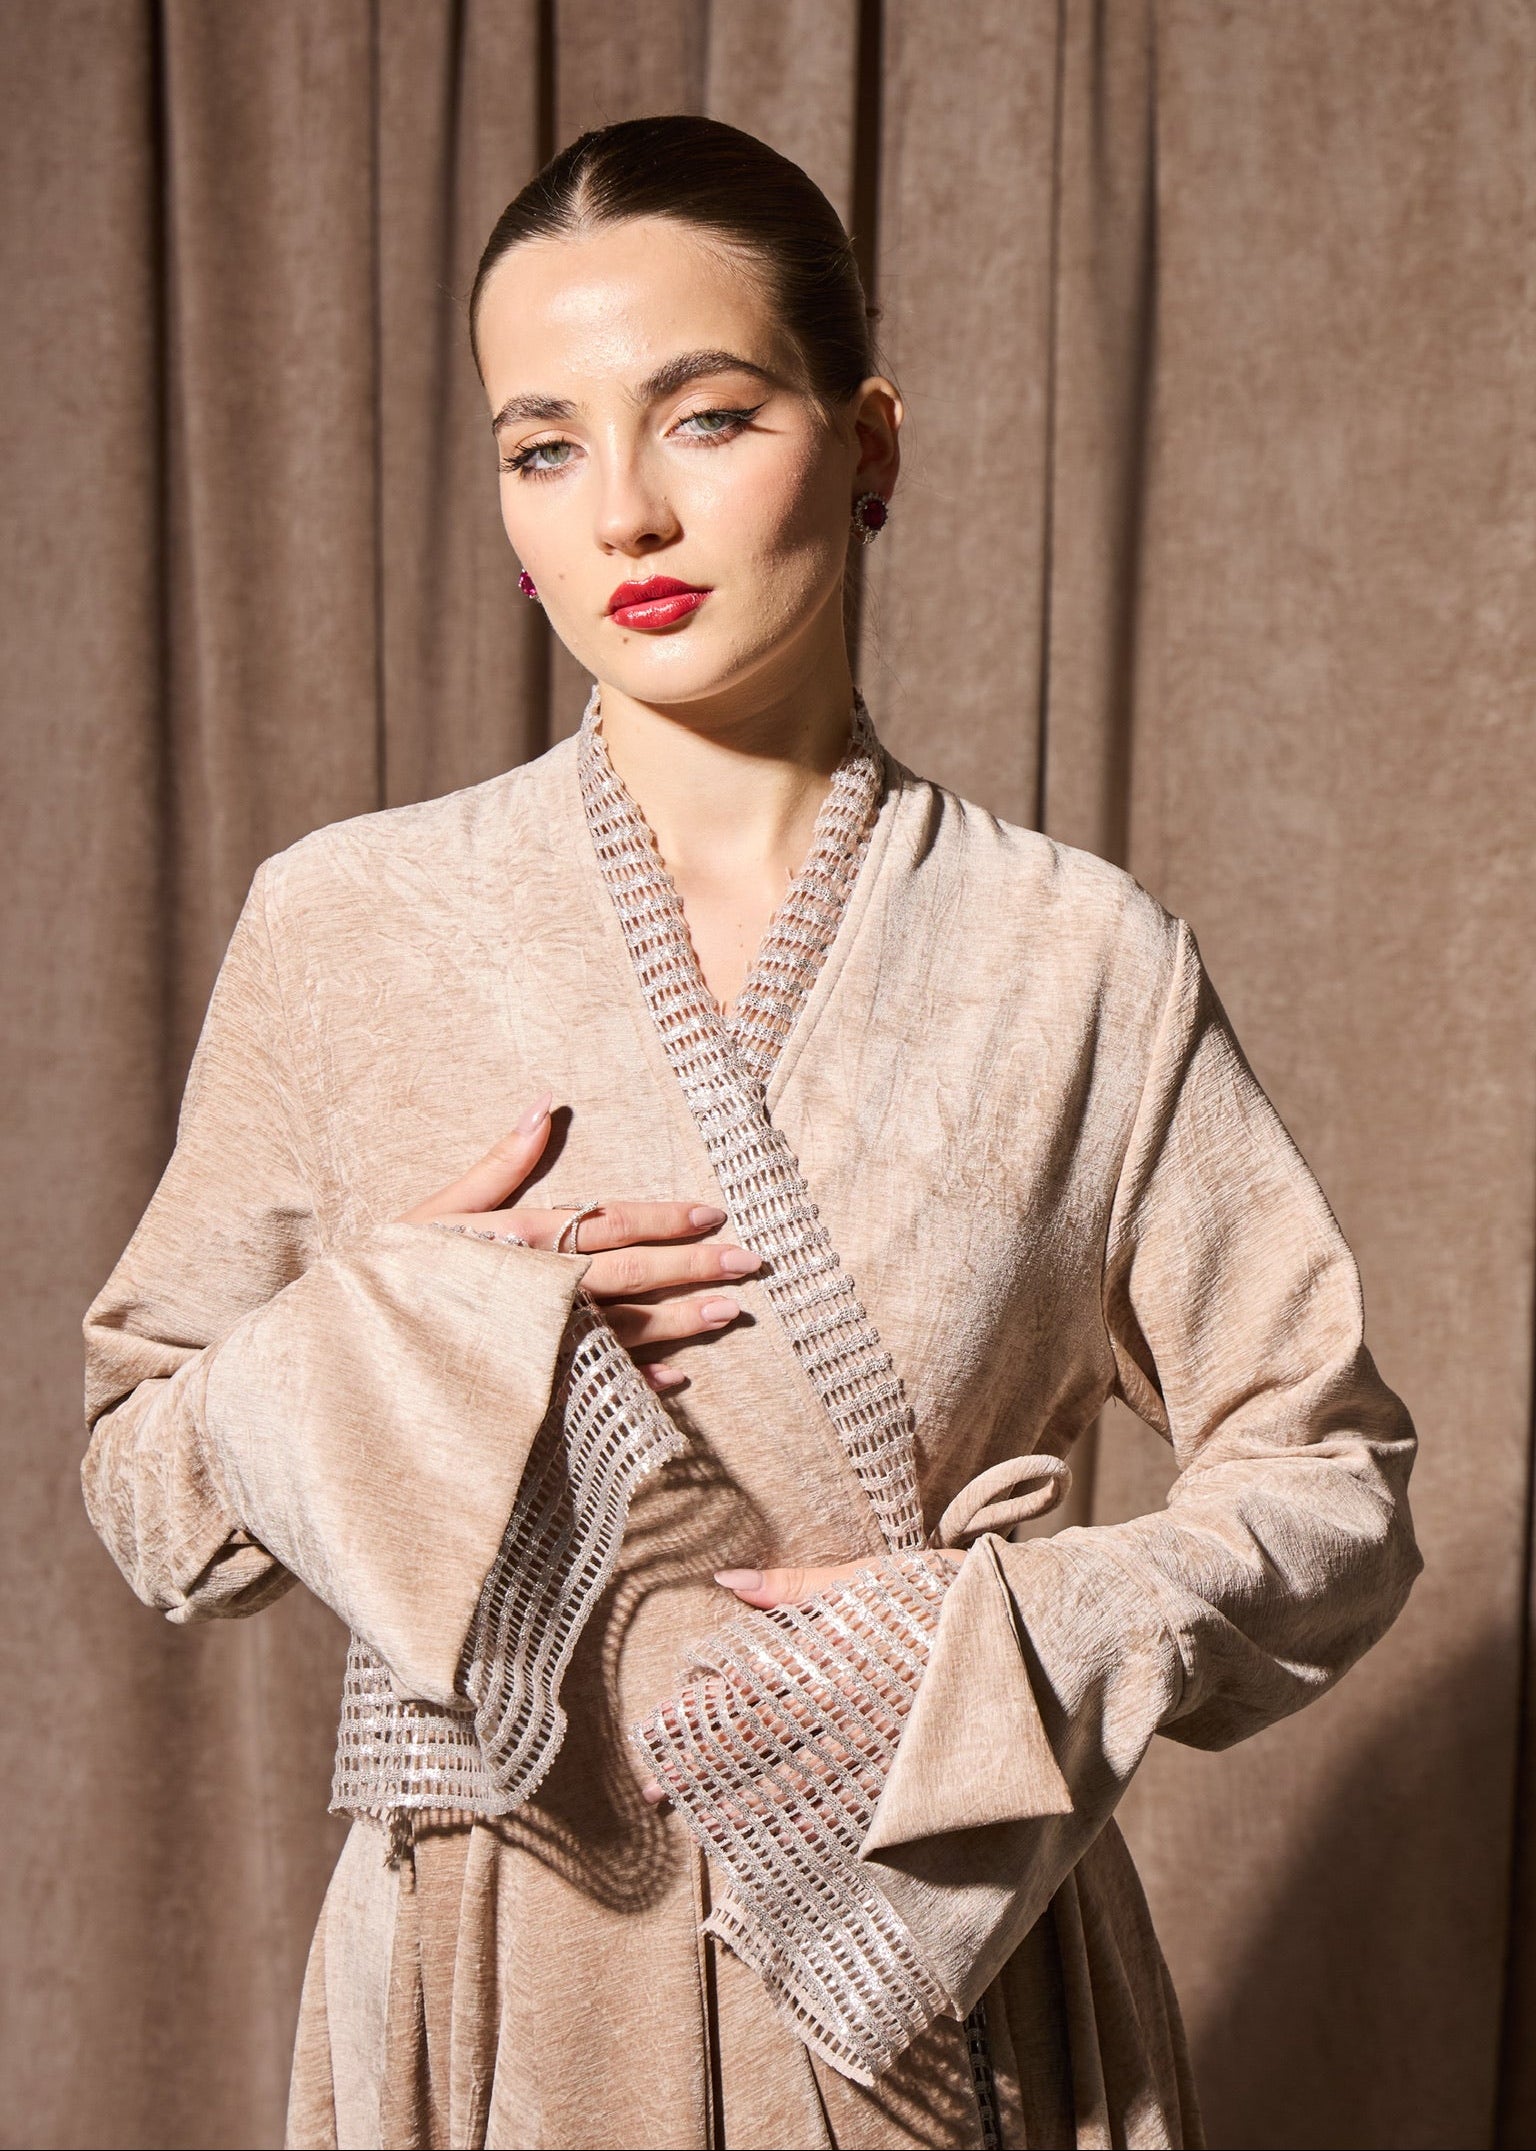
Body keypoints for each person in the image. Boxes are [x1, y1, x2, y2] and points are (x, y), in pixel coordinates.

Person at [82, 115, 1420, 2151]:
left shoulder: (1077, 957)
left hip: (921, 1970)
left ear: (867, 442)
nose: (624, 508)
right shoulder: (348, 924)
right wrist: (412, 1334)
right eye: (544, 446)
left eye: (705, 417)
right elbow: (150, 1492)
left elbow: (1333, 1484)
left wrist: (1012, 1640)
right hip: (501, 1973)